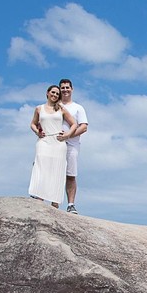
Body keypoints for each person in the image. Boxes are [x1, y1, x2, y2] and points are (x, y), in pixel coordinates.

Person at [28, 84, 78, 207]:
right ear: (47, 93)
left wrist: (67, 135)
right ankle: (39, 197)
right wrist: (37, 132)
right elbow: (33, 124)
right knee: (41, 168)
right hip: (44, 141)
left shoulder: (61, 109)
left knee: (57, 170)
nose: (55, 95)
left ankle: (55, 202)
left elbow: (74, 124)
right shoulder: (39, 109)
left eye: (57, 93)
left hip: (58, 142)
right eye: (53, 92)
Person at [57, 78, 88, 214]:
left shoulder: (78, 108)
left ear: (72, 89)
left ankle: (70, 204)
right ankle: (53, 202)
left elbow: (84, 127)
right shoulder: (55, 105)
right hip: (55, 143)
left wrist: (68, 135)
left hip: (72, 145)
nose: (65, 90)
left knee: (70, 175)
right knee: (54, 172)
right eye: (62, 88)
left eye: (67, 87)